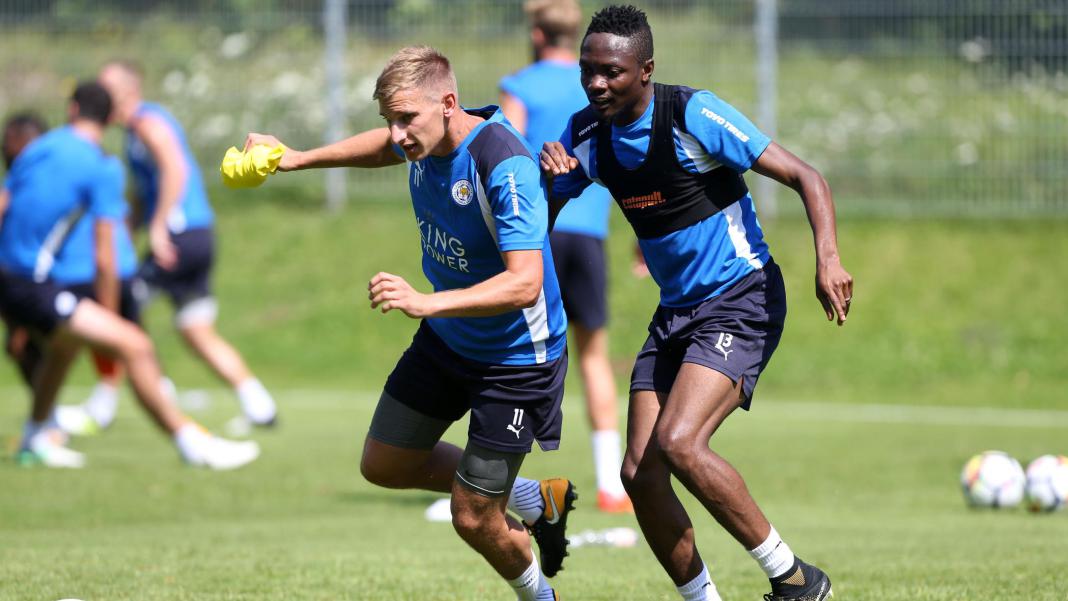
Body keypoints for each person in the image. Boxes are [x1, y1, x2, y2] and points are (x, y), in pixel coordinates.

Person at [540, 6, 853, 601]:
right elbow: (541, 219)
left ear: (646, 70)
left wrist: (829, 259)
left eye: (611, 72)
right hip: (676, 313)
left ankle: (796, 580)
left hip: (742, 298)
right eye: (587, 70)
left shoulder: (691, 114)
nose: (596, 84)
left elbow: (807, 177)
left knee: (681, 442)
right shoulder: (586, 134)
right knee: (639, 473)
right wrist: (549, 185)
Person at [241, 46, 576, 600]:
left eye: (405, 119)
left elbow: (525, 284)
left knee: (472, 516)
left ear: (448, 103)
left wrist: (426, 303)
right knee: (386, 463)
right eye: (388, 120)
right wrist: (297, 158)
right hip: (449, 340)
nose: (397, 134)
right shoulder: (422, 140)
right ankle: (535, 498)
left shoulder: (502, 162)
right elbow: (384, 148)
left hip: (517, 359)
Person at [0, 82, 260, 470]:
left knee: (62, 349)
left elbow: (4, 203)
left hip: (11, 277)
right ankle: (194, 445)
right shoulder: (103, 167)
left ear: (72, 110)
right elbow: (106, 256)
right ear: (110, 119)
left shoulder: (39, 148)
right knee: (134, 345)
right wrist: (110, 317)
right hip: (30, 283)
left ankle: (36, 437)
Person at [499, 0, 630, 514]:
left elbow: (506, 154)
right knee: (594, 356)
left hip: (539, 233)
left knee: (508, 355)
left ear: (537, 34)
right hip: (590, 235)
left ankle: (489, 479)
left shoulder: (520, 85)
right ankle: (611, 484)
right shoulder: (596, 86)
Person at [94, 60, 277, 430]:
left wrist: (158, 227)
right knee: (196, 330)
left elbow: (175, 170)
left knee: (123, 307)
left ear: (128, 91)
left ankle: (123, 398)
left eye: (105, 89)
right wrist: (128, 229)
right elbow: (144, 194)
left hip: (179, 236)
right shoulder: (134, 133)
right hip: (197, 235)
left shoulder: (148, 123)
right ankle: (260, 405)